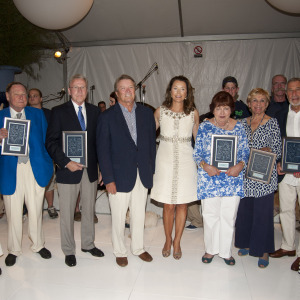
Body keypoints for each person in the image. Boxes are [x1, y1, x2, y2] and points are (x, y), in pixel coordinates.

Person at [97, 74, 156, 267]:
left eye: (131, 87)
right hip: (118, 176)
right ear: (116, 92)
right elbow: (103, 150)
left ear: (135, 90)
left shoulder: (147, 114)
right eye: (123, 88)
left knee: (139, 214)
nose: (128, 91)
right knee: (119, 217)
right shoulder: (107, 117)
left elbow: (150, 146)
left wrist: (151, 171)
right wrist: (108, 178)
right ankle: (119, 250)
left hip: (142, 175)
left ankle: (138, 248)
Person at [46, 74, 104, 267]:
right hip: (67, 171)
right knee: (68, 213)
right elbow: (51, 142)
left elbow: (99, 144)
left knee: (88, 210)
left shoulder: (96, 112)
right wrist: (65, 162)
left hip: (90, 172)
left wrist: (101, 168)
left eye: (83, 87)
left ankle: (88, 244)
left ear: (87, 91)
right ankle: (68, 250)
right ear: (69, 90)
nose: (79, 91)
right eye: (75, 87)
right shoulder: (58, 111)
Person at [0, 82, 53, 267]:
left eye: (24, 94)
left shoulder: (37, 114)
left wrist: (49, 164)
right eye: (17, 94)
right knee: (13, 213)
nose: (22, 97)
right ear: (7, 96)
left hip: (34, 168)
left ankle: (38, 245)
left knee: (36, 210)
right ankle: (14, 249)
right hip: (10, 171)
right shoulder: (0, 117)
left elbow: (48, 140)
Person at [193, 91, 249, 266]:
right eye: (219, 108)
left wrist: (240, 165)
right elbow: (197, 154)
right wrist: (205, 166)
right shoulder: (204, 126)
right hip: (209, 179)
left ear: (231, 109)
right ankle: (210, 249)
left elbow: (245, 153)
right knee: (210, 216)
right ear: (213, 109)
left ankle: (225, 252)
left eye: (226, 108)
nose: (222, 112)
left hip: (232, 179)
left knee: (228, 216)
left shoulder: (239, 127)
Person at [151, 76, 199, 259]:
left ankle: (177, 241)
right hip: (164, 160)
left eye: (183, 89)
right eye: (175, 88)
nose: (179, 92)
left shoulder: (193, 112)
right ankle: (167, 239)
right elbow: (147, 136)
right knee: (168, 205)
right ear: (170, 91)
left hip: (187, 160)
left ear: (187, 93)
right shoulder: (160, 112)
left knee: (182, 205)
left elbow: (199, 141)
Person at [235, 88, 282, 268]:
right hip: (244, 176)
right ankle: (245, 243)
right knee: (245, 212)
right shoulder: (240, 123)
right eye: (255, 100)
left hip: (264, 176)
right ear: (248, 103)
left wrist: (264, 151)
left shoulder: (272, 123)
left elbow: (277, 148)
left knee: (263, 215)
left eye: (262, 101)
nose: (258, 104)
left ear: (267, 104)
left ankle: (263, 250)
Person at [270, 78, 300, 272]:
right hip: (285, 173)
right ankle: (288, 246)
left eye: (298, 90)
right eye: (290, 91)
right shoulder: (280, 114)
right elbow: (277, 142)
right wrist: (279, 162)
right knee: (286, 210)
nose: (294, 94)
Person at [28, 88, 58, 219]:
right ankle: (34, 209)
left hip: (47, 153)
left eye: (35, 96)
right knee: (31, 184)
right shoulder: (25, 114)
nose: (32, 97)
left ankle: (50, 206)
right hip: (31, 155)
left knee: (48, 181)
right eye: (30, 96)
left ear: (41, 99)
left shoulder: (49, 114)